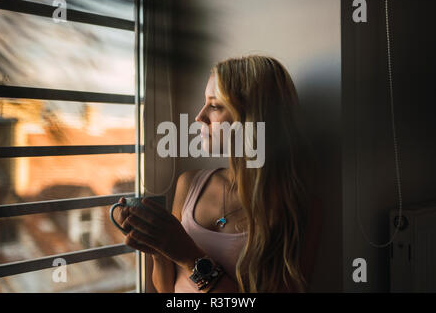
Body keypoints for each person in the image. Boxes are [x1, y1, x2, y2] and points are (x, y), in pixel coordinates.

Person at [114, 54, 323, 293]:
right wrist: (159, 248)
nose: (199, 116)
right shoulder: (190, 184)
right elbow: (168, 290)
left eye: (214, 106)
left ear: (251, 117)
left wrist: (188, 255)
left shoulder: (296, 207)